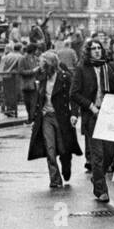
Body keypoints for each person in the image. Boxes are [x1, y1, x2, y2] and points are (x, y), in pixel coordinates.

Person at [70, 38, 114, 203]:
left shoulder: (110, 67)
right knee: (97, 155)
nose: (97, 51)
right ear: (88, 51)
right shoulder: (82, 69)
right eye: (94, 49)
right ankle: (101, 190)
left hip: (109, 114)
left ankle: (97, 177)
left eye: (99, 48)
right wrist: (91, 107)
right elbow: (74, 93)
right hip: (92, 115)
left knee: (110, 153)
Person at [27, 51, 82, 189]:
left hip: (61, 116)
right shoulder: (42, 76)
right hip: (46, 117)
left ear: (48, 63)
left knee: (63, 149)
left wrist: (74, 114)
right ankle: (55, 179)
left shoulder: (65, 77)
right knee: (49, 149)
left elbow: (73, 97)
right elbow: (38, 98)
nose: (38, 64)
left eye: (41, 61)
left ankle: (66, 164)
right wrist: (34, 117)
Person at [0, 42, 25, 118]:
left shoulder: (7, 56)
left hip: (5, 76)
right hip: (15, 78)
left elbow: (2, 67)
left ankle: (9, 109)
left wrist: (0, 78)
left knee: (8, 94)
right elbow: (20, 68)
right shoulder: (20, 56)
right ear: (20, 48)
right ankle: (12, 110)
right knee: (16, 94)